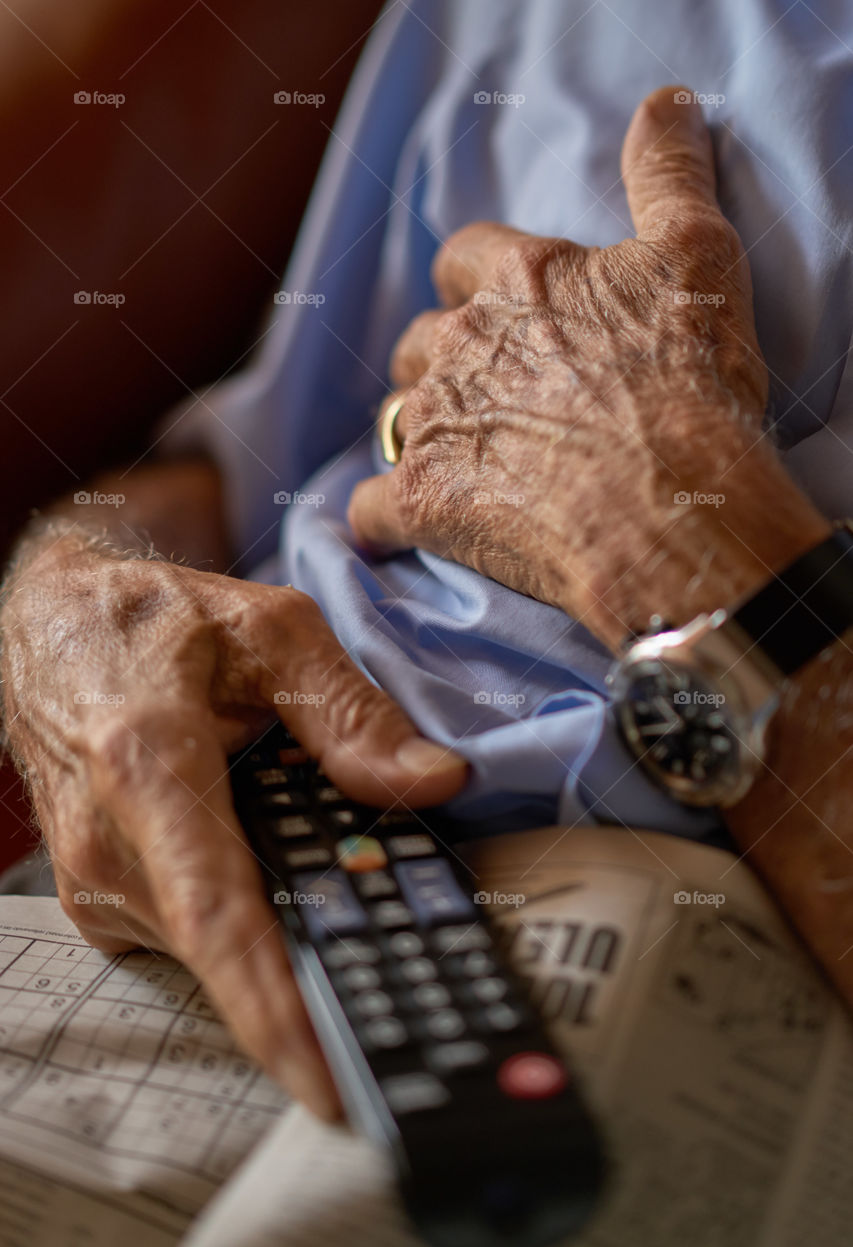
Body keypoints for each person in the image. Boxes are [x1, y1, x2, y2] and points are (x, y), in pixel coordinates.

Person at [1, 0, 852, 1123]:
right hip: (228, 851)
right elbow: (240, 472)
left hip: (712, 965)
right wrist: (64, 599)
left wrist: (663, 522)